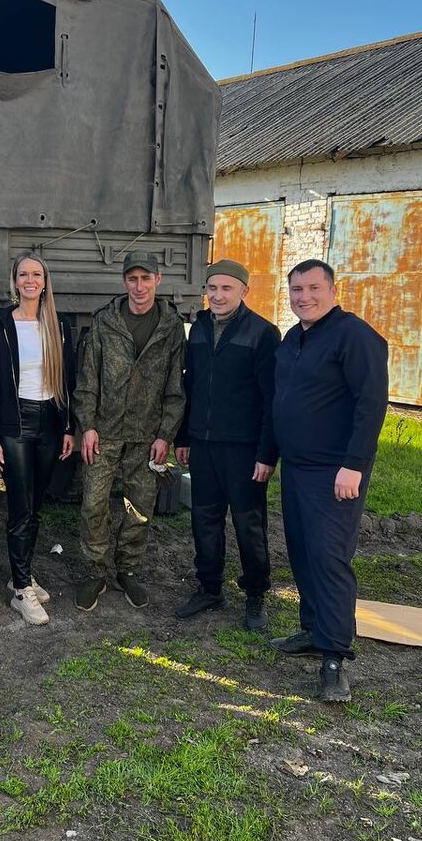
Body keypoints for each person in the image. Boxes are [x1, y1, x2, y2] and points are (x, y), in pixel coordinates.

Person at [270, 259, 388, 702]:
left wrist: (354, 464)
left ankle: (334, 658)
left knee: (329, 559)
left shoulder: (354, 336)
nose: (304, 297)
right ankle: (312, 631)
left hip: (335, 472)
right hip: (297, 468)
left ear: (333, 291)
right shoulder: (294, 339)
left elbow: (371, 403)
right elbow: (282, 400)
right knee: (302, 553)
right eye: (297, 289)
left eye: (313, 288)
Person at [74, 252, 185, 612]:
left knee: (140, 506)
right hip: (105, 430)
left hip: (147, 433)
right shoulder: (105, 321)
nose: (139, 286)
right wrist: (88, 426)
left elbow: (175, 386)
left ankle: (129, 570)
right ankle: (95, 572)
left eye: (146, 278)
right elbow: (88, 379)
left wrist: (165, 435)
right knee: (93, 504)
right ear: (124, 282)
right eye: (133, 279)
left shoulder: (171, 327)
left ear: (158, 279)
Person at [174, 259, 280, 630]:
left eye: (227, 288)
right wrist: (184, 436)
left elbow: (271, 399)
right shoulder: (199, 327)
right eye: (212, 288)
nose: (218, 295)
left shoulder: (263, 333)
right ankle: (209, 588)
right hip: (203, 445)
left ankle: (255, 594)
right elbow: (191, 385)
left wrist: (266, 453)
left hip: (244, 449)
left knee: (249, 523)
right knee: (204, 519)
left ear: (244, 291)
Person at [0, 252, 76, 625]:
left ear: (45, 281)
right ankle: (22, 589)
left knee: (35, 505)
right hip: (15, 423)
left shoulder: (59, 324)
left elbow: (69, 380)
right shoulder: (1, 325)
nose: (30, 280)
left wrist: (68, 427)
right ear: (15, 281)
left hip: (50, 421)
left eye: (36, 274)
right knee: (20, 506)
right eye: (23, 274)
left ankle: (21, 573)